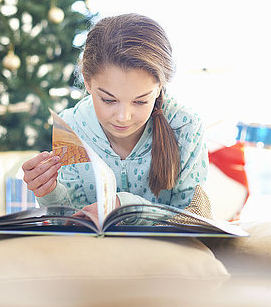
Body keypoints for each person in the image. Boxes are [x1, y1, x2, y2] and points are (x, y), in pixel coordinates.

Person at [22, 13, 209, 221]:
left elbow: (194, 219)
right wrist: (48, 191)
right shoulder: (72, 126)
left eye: (140, 101)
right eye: (109, 100)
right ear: (87, 81)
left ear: (159, 87)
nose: (123, 117)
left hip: (163, 253)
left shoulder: (186, 127)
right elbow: (69, 220)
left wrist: (128, 207)